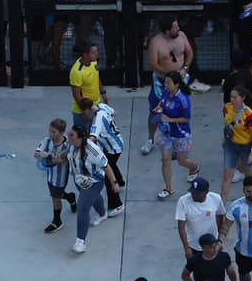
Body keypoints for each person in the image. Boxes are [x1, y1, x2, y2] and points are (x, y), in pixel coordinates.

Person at [141, 17, 204, 156]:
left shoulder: (181, 36)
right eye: (175, 27)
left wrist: (185, 68)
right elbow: (153, 64)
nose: (178, 29)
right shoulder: (156, 43)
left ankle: (177, 141)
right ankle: (150, 139)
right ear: (167, 31)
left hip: (180, 80)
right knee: (155, 111)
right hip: (162, 81)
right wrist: (169, 75)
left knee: (179, 111)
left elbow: (189, 52)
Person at [67, 123, 113, 253]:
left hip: (94, 183)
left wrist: (114, 182)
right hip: (80, 180)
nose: (68, 136)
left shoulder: (92, 150)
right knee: (93, 198)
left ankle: (80, 241)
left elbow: (106, 166)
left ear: (80, 137)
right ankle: (102, 214)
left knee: (82, 208)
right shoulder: (72, 145)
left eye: (71, 135)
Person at [154, 71, 200, 199]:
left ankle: (194, 167)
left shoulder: (184, 100)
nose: (166, 85)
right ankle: (168, 188)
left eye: (169, 83)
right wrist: (158, 109)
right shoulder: (165, 92)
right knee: (165, 159)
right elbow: (161, 102)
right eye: (165, 82)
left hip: (180, 134)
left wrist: (170, 120)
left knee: (182, 161)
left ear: (177, 84)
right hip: (166, 133)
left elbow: (186, 119)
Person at [80, 99, 126, 215]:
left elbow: (92, 138)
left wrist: (82, 146)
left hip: (113, 149)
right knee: (112, 166)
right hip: (119, 142)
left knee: (107, 175)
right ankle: (120, 182)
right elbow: (114, 112)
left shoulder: (97, 120)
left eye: (83, 112)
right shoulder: (102, 106)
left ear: (87, 110)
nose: (83, 115)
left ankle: (117, 205)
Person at [34, 118, 74, 234]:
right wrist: (42, 154)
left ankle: (57, 221)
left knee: (55, 198)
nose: (50, 134)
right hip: (50, 175)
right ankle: (70, 197)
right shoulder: (47, 141)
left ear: (61, 133)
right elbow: (35, 153)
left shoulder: (67, 145)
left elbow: (70, 161)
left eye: (54, 132)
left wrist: (60, 160)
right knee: (56, 194)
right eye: (50, 131)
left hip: (60, 178)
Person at [220, 85, 252, 196]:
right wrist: (225, 138)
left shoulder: (248, 114)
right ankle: (222, 207)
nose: (232, 99)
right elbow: (226, 124)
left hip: (245, 146)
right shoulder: (226, 108)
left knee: (247, 172)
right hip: (230, 145)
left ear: (243, 98)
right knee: (227, 176)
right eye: (231, 97)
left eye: (235, 97)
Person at [175, 177, 226, 259]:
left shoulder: (216, 199)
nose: (193, 195)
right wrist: (187, 248)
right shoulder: (183, 201)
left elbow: (220, 216)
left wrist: (218, 240)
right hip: (193, 245)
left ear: (206, 192)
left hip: (212, 245)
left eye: (197, 194)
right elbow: (181, 227)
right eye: (192, 192)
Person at [68, 41, 104, 130]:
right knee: (82, 140)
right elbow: (76, 95)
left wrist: (103, 92)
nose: (97, 54)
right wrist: (85, 111)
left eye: (96, 51)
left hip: (96, 106)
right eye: (93, 52)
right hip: (83, 111)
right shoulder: (77, 71)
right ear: (85, 54)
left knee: (95, 136)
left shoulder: (93, 62)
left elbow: (96, 77)